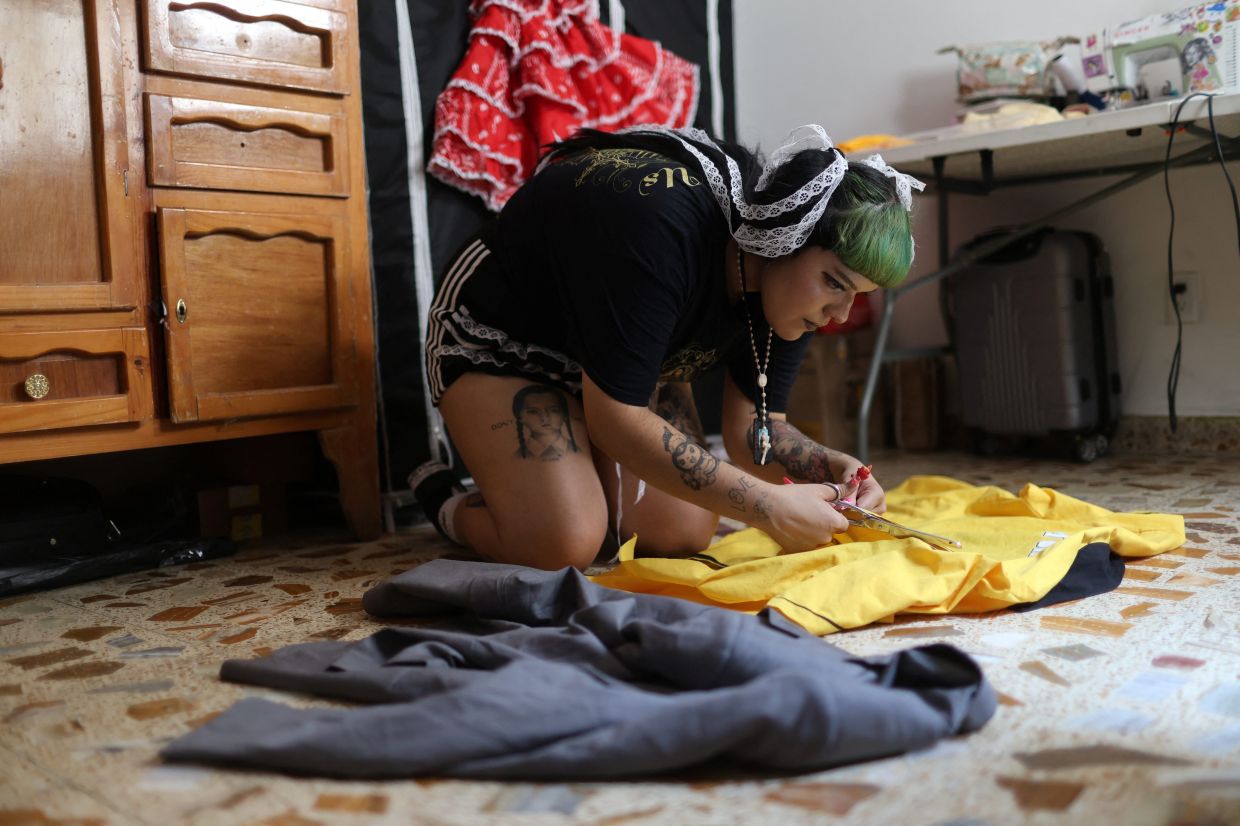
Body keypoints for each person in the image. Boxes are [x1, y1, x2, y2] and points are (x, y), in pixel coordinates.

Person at [409, 124, 923, 571]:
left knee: (679, 532)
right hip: (504, 342)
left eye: (857, 295)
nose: (841, 315)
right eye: (836, 283)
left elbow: (754, 432)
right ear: (783, 239)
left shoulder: (781, 286)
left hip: (625, 363)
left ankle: (558, 483)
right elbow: (616, 418)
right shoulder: (658, 226)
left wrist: (833, 467)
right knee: (564, 541)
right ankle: (441, 496)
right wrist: (767, 504)